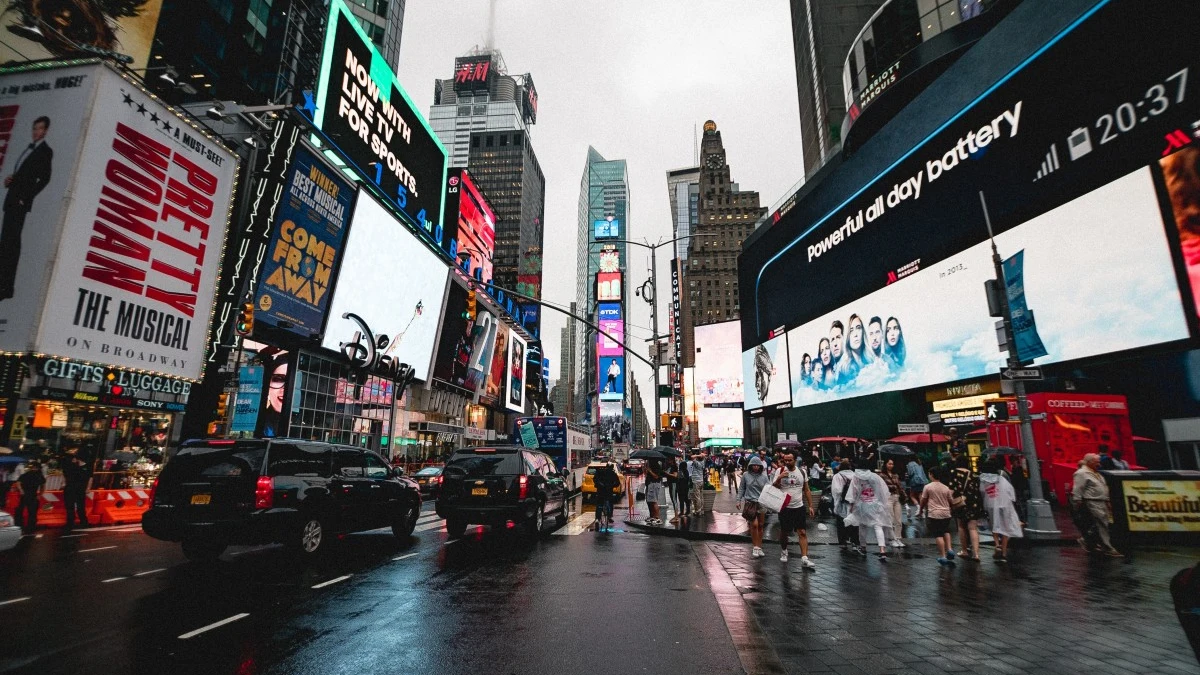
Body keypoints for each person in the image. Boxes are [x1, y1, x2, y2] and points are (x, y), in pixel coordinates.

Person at [0, 115, 53, 301]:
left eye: (39, 128)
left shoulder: (45, 151)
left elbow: (45, 179)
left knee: (11, 243)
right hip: (12, 199)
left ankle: (6, 287)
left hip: (19, 202)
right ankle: (4, 285)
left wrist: (26, 197)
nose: (36, 132)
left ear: (45, 131)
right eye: (34, 128)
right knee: (6, 242)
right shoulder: (29, 150)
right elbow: (24, 175)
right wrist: (12, 182)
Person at [771, 451, 816, 568]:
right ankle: (784, 550)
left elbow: (806, 489)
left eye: (790, 460)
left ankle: (805, 557)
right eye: (785, 460)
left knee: (802, 532)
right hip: (785, 507)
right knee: (784, 532)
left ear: (795, 460)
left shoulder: (802, 472)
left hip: (799, 506)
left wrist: (811, 505)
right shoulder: (779, 471)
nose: (787, 462)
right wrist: (779, 478)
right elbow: (773, 486)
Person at [1072, 453, 1122, 557]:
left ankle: (1087, 541)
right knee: (1102, 524)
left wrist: (1107, 500)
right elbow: (1078, 488)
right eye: (1097, 461)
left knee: (1103, 523)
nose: (1099, 463)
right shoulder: (1082, 473)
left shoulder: (1095, 473)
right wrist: (1077, 501)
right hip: (1092, 501)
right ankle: (1107, 547)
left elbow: (1104, 487)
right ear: (1089, 462)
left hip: (1101, 501)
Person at [846, 465, 894, 560]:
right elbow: (882, 491)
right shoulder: (875, 476)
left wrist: (851, 506)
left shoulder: (856, 477)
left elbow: (853, 493)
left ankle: (863, 547)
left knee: (862, 526)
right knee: (878, 526)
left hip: (862, 505)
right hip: (876, 505)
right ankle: (882, 550)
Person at [980, 460, 1023, 563]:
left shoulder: (983, 480)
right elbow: (1010, 491)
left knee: (994, 525)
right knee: (1005, 527)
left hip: (990, 504)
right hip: (1004, 504)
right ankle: (1003, 553)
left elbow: (982, 491)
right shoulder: (1001, 479)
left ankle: (996, 543)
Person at [947, 456, 984, 561]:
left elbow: (951, 490)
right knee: (973, 528)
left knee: (962, 526)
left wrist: (949, 503)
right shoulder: (973, 474)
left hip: (961, 503)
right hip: (973, 502)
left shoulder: (954, 472)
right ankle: (976, 554)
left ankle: (964, 550)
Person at [920, 467, 957, 566]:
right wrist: (951, 509)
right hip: (946, 513)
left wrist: (920, 510)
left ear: (931, 474)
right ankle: (949, 549)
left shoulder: (928, 487)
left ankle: (943, 556)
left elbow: (923, 501)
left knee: (938, 534)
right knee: (946, 530)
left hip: (934, 513)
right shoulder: (945, 487)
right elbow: (951, 501)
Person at [736, 456, 770, 558]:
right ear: (750, 465)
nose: (755, 467)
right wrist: (738, 500)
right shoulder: (746, 475)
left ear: (760, 466)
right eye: (754, 465)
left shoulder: (764, 476)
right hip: (750, 502)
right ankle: (755, 547)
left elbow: (768, 489)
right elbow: (741, 488)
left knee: (760, 525)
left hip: (761, 503)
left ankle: (759, 547)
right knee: (754, 525)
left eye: (757, 465)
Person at [831, 460, 859, 551]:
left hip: (842, 502)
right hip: (854, 503)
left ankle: (843, 542)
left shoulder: (838, 476)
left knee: (841, 522)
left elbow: (836, 490)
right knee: (854, 522)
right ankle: (855, 542)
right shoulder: (856, 476)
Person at [879, 458, 906, 547]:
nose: (891, 465)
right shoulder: (881, 475)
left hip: (896, 497)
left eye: (892, 464)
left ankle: (898, 538)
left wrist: (903, 495)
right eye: (889, 464)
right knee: (890, 518)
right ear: (885, 464)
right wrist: (894, 486)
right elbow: (883, 487)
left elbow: (899, 486)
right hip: (888, 498)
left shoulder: (895, 475)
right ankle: (892, 539)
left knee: (898, 519)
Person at [62, 451, 91, 530]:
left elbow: (66, 476)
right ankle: (82, 522)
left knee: (72, 506)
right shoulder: (78, 467)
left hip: (72, 488)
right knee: (79, 506)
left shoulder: (70, 467)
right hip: (78, 488)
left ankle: (71, 522)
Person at [14, 461, 44, 535]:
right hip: (30, 494)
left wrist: (21, 490)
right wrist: (40, 494)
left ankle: (22, 526)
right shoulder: (36, 475)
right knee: (31, 512)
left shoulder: (35, 475)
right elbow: (43, 486)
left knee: (25, 511)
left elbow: (18, 482)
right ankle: (29, 527)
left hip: (28, 494)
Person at [592, 461, 619, 532]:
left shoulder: (600, 472)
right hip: (608, 492)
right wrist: (612, 486)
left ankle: (597, 519)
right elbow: (617, 483)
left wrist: (599, 485)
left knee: (599, 505)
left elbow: (595, 479)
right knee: (610, 503)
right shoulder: (613, 473)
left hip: (600, 492)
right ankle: (609, 516)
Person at [905, 455, 929, 521]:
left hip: (915, 481)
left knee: (912, 495)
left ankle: (918, 507)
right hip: (922, 481)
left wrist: (907, 473)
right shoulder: (919, 464)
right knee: (920, 495)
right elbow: (923, 473)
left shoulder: (910, 464)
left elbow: (910, 473)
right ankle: (922, 510)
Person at [644, 457, 664, 526]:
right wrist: (646, 470)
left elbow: (656, 476)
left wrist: (650, 471)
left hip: (654, 484)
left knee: (654, 501)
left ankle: (658, 518)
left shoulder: (656, 466)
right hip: (650, 484)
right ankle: (652, 517)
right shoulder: (650, 466)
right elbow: (647, 475)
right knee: (650, 501)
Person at [664, 456, 681, 523]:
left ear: (672, 460)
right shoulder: (669, 466)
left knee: (674, 500)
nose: (668, 461)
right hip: (670, 484)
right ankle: (676, 515)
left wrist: (667, 474)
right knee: (673, 499)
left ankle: (676, 517)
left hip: (674, 484)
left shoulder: (674, 466)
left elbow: (675, 475)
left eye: (669, 460)